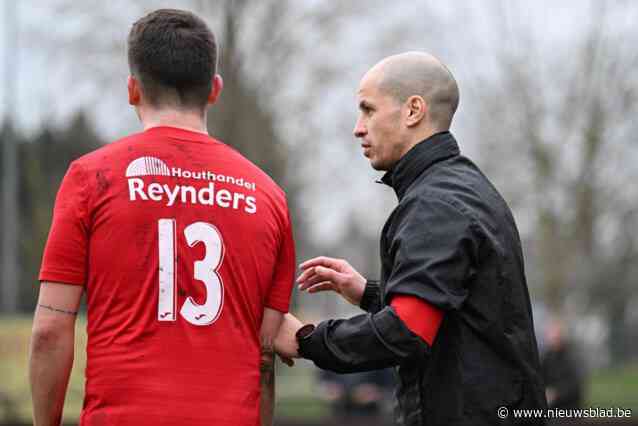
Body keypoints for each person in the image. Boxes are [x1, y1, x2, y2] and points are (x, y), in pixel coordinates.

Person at [29, 9, 295, 426]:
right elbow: (264, 354)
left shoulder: (90, 178)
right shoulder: (269, 196)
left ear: (133, 89)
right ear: (215, 89)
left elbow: (50, 330)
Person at [275, 52, 547, 425]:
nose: (358, 127)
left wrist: (308, 339)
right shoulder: (463, 187)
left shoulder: (435, 204)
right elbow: (451, 311)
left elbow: (407, 330)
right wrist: (368, 293)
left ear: (413, 111)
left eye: (368, 110)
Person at [541, 318, 584, 411]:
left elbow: (575, 385)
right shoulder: (547, 357)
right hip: (552, 409)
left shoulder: (571, 356)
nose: (551, 337)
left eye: (554, 334)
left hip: (569, 410)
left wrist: (556, 394)